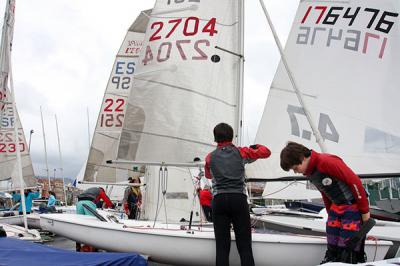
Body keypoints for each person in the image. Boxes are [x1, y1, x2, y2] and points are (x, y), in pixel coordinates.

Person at [280, 141, 370, 264]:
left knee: (347, 248)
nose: (296, 172)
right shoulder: (310, 172)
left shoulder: (327, 161)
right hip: (336, 207)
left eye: (295, 168)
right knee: (332, 245)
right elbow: (325, 191)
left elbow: (355, 182)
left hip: (352, 206)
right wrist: (329, 212)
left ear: (302, 158)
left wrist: (365, 211)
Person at [205, 122, 271, 266]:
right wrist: (255, 146)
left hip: (219, 200)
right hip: (238, 199)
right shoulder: (241, 152)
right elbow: (266, 152)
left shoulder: (209, 157)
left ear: (215, 138)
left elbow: (208, 175)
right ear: (232, 136)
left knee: (222, 248)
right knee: (245, 247)